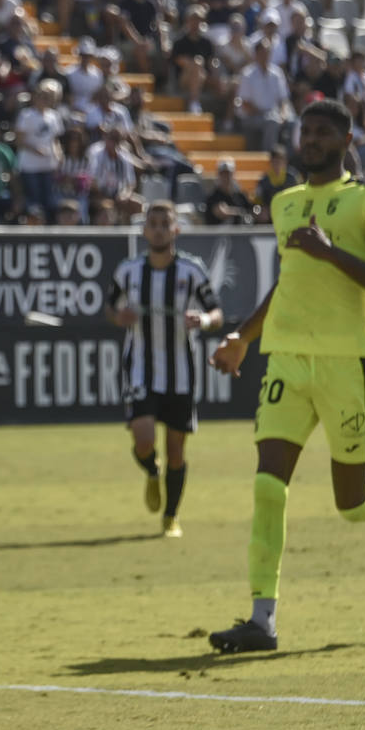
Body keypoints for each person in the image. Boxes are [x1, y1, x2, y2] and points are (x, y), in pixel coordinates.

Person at [207, 99, 365, 655]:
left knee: (351, 502)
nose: (309, 139)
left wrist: (332, 253)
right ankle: (262, 622)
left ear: (346, 138)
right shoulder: (284, 203)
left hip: (348, 364)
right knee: (267, 483)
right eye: (305, 130)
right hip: (286, 359)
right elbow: (290, 281)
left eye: (322, 131)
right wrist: (243, 337)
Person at [106, 201, 222, 538]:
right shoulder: (128, 271)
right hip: (141, 367)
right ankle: (149, 469)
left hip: (180, 372)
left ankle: (170, 517)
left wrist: (201, 319)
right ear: (144, 231)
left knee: (176, 451)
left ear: (176, 230)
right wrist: (119, 317)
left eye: (164, 223)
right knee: (143, 440)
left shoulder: (191, 271)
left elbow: (216, 313)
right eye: (152, 223)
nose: (157, 229)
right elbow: (110, 306)